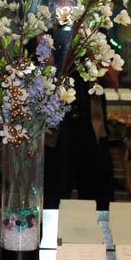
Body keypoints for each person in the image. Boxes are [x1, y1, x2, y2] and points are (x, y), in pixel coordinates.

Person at [45, 30, 116, 210]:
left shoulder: (96, 37)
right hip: (58, 126)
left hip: (90, 124)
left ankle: (97, 233)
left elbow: (113, 79)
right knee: (55, 193)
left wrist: (92, 51)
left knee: (97, 192)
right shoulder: (48, 37)